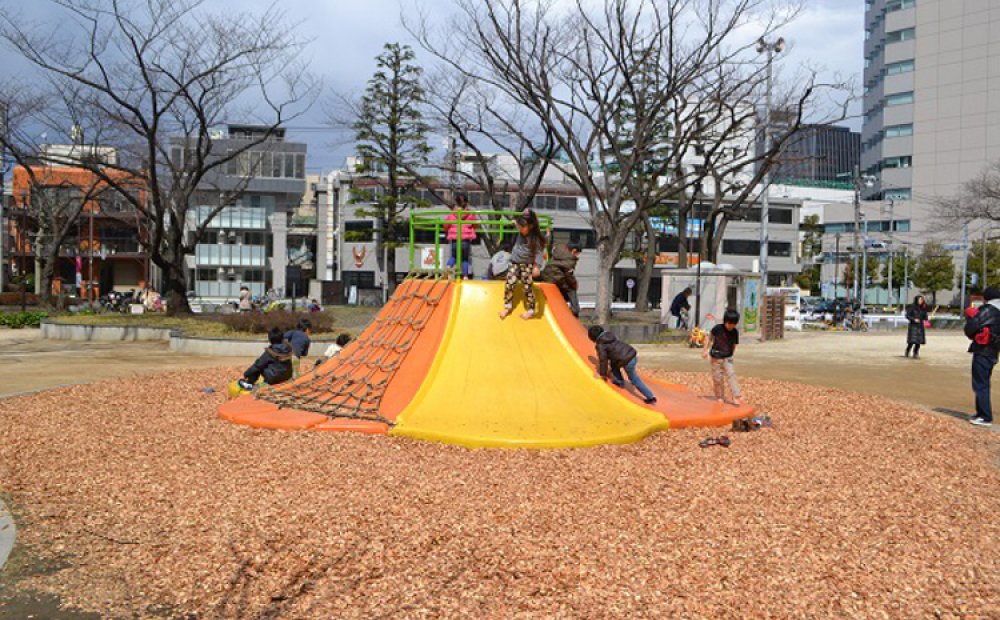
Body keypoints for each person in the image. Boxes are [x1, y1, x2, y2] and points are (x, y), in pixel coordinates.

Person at [587, 325, 657, 405]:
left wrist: (602, 374)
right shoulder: (609, 336)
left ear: (593, 338)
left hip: (627, 361)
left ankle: (651, 397)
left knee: (634, 379)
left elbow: (603, 360)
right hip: (631, 354)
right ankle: (619, 381)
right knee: (614, 364)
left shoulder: (601, 345)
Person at [499, 209, 546, 320]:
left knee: (527, 286)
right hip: (514, 262)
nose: (520, 229)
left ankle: (531, 309)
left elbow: (540, 253)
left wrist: (537, 266)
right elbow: (518, 224)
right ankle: (507, 306)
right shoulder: (521, 230)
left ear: (531, 226)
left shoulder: (535, 239)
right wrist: (515, 222)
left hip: (527, 264)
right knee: (510, 282)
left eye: (522, 227)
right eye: (519, 227)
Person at [964, 287, 1000, 427]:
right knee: (983, 382)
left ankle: (985, 416)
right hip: (993, 350)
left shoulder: (987, 310)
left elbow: (971, 328)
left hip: (983, 350)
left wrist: (970, 318)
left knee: (980, 384)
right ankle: (980, 413)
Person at [702, 308, 743, 405]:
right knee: (717, 378)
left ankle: (736, 396)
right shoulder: (718, 328)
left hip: (727, 357)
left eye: (733, 325)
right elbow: (709, 337)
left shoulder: (734, 332)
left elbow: (734, 345)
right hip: (715, 357)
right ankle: (720, 396)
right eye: (729, 324)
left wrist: (731, 355)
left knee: (731, 374)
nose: (730, 327)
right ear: (725, 321)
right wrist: (705, 350)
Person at [540, 242, 582, 317]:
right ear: (574, 251)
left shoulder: (557, 251)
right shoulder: (570, 260)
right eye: (578, 254)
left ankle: (560, 305)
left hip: (545, 276)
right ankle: (575, 311)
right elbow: (569, 276)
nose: (578, 257)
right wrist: (574, 284)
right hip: (556, 280)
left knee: (564, 287)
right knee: (571, 289)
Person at [444, 193, 478, 277]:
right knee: (465, 259)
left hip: (455, 239)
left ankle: (448, 266)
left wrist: (447, 231)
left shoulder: (452, 214)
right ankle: (465, 276)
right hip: (465, 240)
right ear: (466, 203)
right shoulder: (470, 214)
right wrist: (472, 229)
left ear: (456, 202)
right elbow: (476, 224)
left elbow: (445, 225)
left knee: (454, 256)